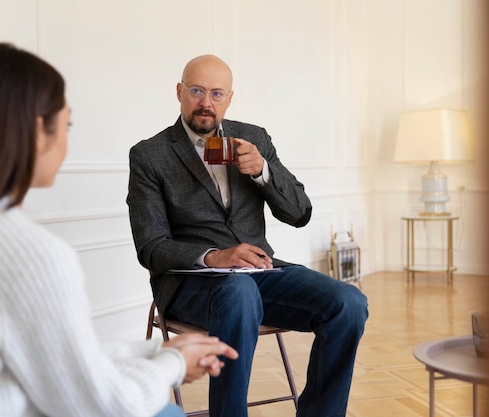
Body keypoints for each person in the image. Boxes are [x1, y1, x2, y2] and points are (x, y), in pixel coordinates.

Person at [0, 44, 237, 417]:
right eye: (67, 124)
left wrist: (155, 351)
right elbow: (104, 406)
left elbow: (56, 355)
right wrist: (171, 366)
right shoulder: (26, 254)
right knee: (166, 412)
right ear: (38, 131)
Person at [126, 54, 369, 417]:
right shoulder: (150, 155)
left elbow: (300, 213)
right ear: (179, 92)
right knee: (238, 292)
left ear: (229, 98)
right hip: (188, 284)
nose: (206, 103)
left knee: (348, 302)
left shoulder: (253, 139)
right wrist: (213, 256)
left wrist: (264, 173)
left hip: (260, 274)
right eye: (196, 91)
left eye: (216, 93)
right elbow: (151, 248)